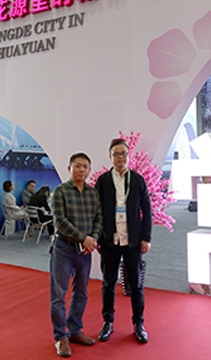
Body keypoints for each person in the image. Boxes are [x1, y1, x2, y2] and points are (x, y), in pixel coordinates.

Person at [95, 138, 152, 344]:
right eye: (116, 154)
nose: (121, 157)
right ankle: (108, 322)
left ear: (129, 156)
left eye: (124, 153)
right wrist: (98, 236)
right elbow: (96, 211)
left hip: (133, 241)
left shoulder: (137, 180)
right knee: (108, 283)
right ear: (110, 157)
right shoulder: (102, 181)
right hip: (110, 240)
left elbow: (147, 210)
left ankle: (138, 324)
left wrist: (146, 238)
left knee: (136, 284)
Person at [50, 153, 102, 357]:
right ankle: (60, 337)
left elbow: (99, 218)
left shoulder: (93, 193)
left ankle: (75, 330)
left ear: (89, 170)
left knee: (81, 293)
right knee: (58, 295)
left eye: (85, 167)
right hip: (64, 249)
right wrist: (84, 238)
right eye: (78, 166)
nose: (82, 170)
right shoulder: (60, 191)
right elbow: (60, 221)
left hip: (85, 251)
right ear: (69, 168)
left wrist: (93, 239)